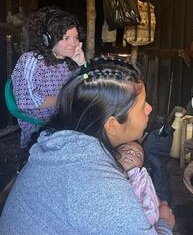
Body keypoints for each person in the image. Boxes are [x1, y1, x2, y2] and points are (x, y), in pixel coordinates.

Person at [0, 57, 175, 234]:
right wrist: (164, 224)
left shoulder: (59, 143)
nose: (149, 108)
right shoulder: (101, 188)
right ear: (112, 125)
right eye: (142, 105)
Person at [11, 7, 86, 148]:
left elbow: (87, 86)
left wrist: (83, 64)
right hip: (41, 125)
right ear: (48, 39)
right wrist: (67, 98)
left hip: (66, 117)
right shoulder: (31, 61)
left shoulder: (70, 61)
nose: (74, 44)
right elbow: (28, 101)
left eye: (76, 38)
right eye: (66, 38)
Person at [116, 140, 160, 225]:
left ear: (142, 165)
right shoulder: (104, 168)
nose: (131, 152)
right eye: (124, 148)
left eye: (139, 154)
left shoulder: (142, 179)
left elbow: (150, 211)